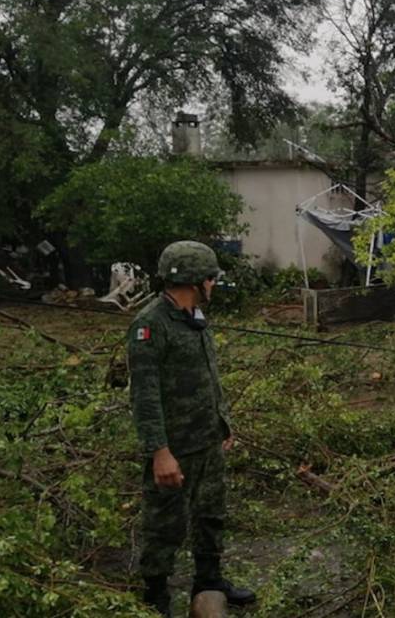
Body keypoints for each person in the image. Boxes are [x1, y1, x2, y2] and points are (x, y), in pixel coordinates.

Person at [128, 241, 256, 617]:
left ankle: (209, 580)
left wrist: (223, 423)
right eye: (211, 279)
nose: (214, 285)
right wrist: (159, 452)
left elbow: (207, 376)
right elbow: (145, 397)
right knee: (164, 524)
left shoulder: (194, 316)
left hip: (207, 440)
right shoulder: (149, 325)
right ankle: (155, 596)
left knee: (211, 514)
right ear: (194, 280)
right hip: (175, 447)